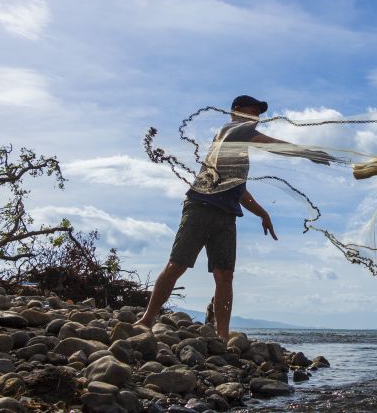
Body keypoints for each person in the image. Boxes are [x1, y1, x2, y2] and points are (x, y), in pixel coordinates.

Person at [135, 95, 331, 340]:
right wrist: (307, 152)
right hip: (201, 206)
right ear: (237, 111)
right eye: (253, 111)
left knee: (225, 275)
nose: (257, 117)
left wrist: (263, 213)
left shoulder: (238, 149)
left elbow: (240, 191)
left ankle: (223, 336)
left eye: (259, 114)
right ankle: (147, 319)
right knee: (177, 264)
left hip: (226, 216)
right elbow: (271, 144)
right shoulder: (233, 130)